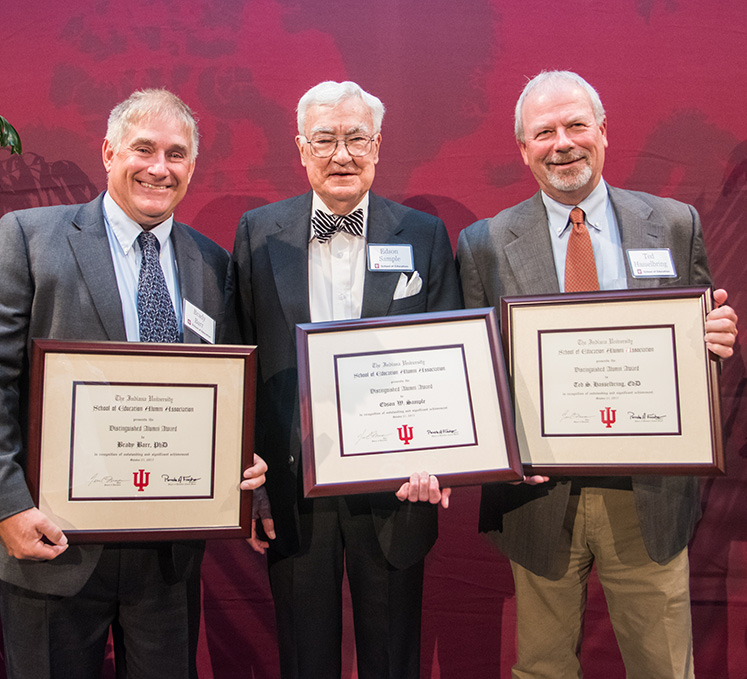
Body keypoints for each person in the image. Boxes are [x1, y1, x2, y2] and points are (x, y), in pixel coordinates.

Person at [457, 70, 738, 679]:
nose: (563, 142)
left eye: (576, 125)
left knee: (664, 668)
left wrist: (712, 341)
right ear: (523, 149)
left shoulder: (673, 223)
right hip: (538, 497)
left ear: (604, 133)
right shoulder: (483, 243)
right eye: (544, 132)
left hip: (648, 495)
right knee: (542, 670)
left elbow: (695, 342)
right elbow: (479, 373)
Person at [0, 88, 268, 679]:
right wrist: (7, 505)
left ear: (192, 168)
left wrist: (237, 463)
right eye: (143, 149)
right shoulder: (27, 239)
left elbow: (218, 395)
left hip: (166, 559)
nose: (158, 168)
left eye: (176, 155)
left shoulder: (211, 264)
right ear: (108, 152)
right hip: (51, 544)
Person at [233, 80, 461, 679]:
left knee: (392, 657)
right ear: (301, 149)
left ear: (379, 146)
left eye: (356, 138)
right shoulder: (257, 234)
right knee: (305, 657)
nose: (342, 154)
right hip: (292, 485)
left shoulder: (423, 234)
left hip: (397, 485)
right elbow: (243, 364)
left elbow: (450, 363)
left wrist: (440, 457)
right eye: (325, 140)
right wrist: (251, 487)